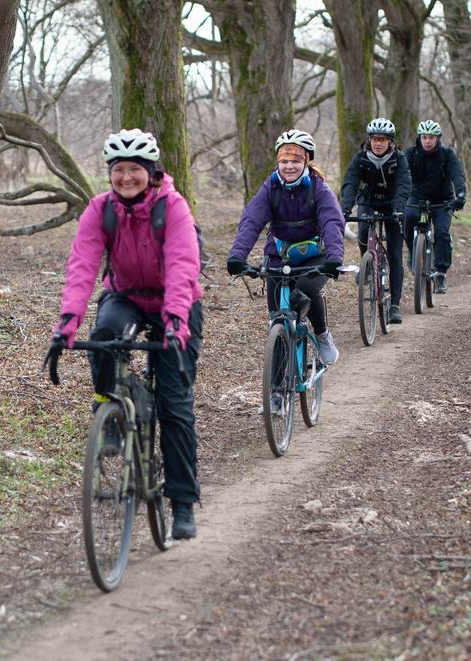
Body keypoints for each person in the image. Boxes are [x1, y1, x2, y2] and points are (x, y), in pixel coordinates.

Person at [50, 129, 203, 540]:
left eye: (135, 169)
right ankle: (113, 407)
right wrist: (66, 323)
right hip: (127, 296)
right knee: (103, 337)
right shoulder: (101, 210)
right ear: (110, 174)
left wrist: (174, 322)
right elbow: (82, 266)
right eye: (119, 170)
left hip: (178, 302)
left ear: (151, 172)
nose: (127, 177)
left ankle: (183, 503)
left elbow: (182, 266)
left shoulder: (172, 207)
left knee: (174, 407)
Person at [226, 129, 346, 364]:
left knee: (305, 288)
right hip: (279, 256)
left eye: (295, 160)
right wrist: (237, 256)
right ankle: (278, 393)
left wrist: (334, 257)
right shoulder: (270, 188)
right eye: (284, 161)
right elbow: (252, 220)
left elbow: (332, 222)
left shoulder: (318, 189)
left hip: (314, 256)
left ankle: (322, 335)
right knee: (276, 322)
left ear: (306, 161)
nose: (289, 166)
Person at [340, 118, 412, 324]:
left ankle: (395, 305)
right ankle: (368, 266)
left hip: (392, 205)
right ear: (369, 140)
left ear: (390, 142)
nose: (378, 143)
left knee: (395, 253)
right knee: (363, 231)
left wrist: (399, 210)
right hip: (369, 201)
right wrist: (345, 209)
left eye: (382, 139)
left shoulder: (399, 159)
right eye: (374, 139)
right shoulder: (360, 158)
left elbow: (404, 185)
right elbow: (350, 184)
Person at [403, 120, 467, 294]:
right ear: (420, 137)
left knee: (442, 233)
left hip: (442, 200)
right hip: (417, 198)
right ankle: (412, 252)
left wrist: (460, 195)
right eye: (424, 137)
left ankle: (440, 273)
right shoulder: (410, 154)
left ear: (438, 138)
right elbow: (400, 174)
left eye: (431, 137)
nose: (428, 141)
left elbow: (457, 174)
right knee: (407, 219)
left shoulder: (447, 154)